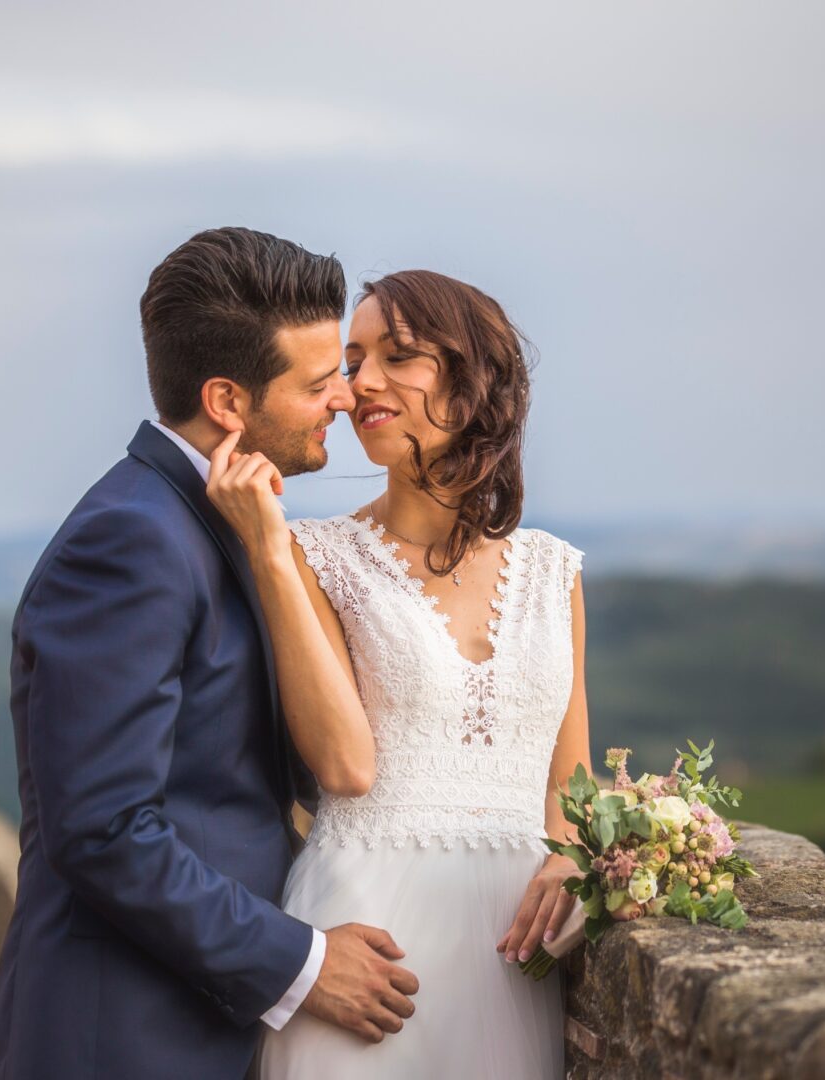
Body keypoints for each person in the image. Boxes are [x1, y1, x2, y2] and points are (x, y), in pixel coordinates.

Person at [0, 227, 421, 1080]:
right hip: (121, 1039)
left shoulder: (220, 519)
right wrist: (301, 963)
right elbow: (105, 830)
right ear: (227, 401)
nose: (343, 397)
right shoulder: (130, 540)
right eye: (318, 379)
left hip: (197, 1026)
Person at [219, 269, 589, 1078]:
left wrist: (571, 855)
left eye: (399, 355)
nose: (361, 384)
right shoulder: (315, 557)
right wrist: (270, 555)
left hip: (511, 960)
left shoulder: (553, 571)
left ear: (474, 375)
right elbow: (343, 765)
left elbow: (572, 785)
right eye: (352, 362)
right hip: (371, 946)